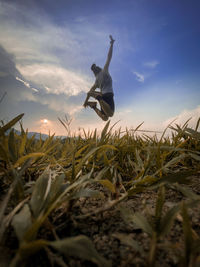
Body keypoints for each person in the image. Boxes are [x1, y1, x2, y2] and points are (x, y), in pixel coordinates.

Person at [83, 35, 115, 121]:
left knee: (105, 118)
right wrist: (111, 44)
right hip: (107, 96)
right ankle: (98, 98)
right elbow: (109, 57)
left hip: (103, 98)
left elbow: (89, 93)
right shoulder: (104, 71)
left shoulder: (96, 81)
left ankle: (94, 106)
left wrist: (85, 102)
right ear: (98, 68)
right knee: (110, 114)